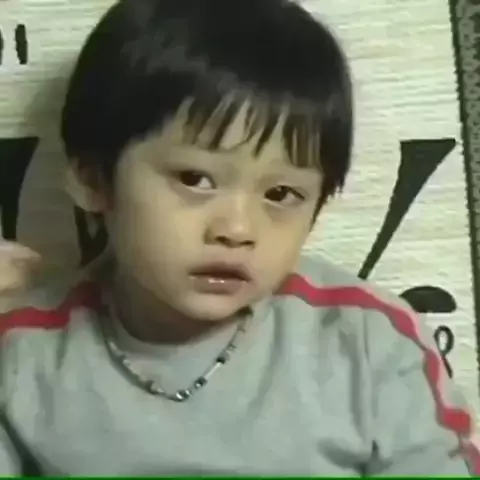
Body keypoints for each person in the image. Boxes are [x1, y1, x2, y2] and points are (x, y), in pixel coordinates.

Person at [0, 0, 478, 475]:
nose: (237, 230)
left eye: (281, 194)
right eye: (195, 179)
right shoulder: (23, 353)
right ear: (92, 178)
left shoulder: (370, 344)